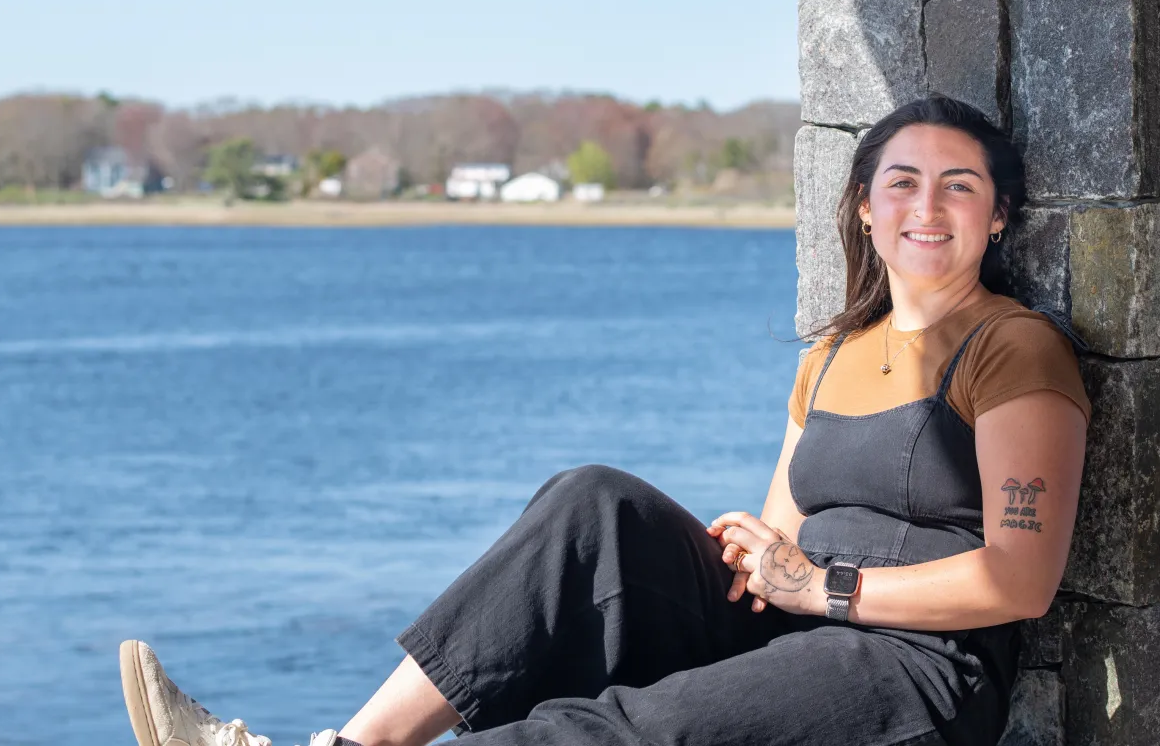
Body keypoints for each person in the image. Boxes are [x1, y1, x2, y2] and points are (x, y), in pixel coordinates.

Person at [116, 95, 1091, 746]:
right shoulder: (829, 353)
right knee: (591, 504)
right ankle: (354, 744)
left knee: (625, 727)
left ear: (996, 215)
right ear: (867, 210)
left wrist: (821, 586)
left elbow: (1018, 577)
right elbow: (779, 538)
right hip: (801, 626)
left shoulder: (1013, 350)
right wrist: (763, 560)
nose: (927, 208)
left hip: (913, 667)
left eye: (957, 186)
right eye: (901, 184)